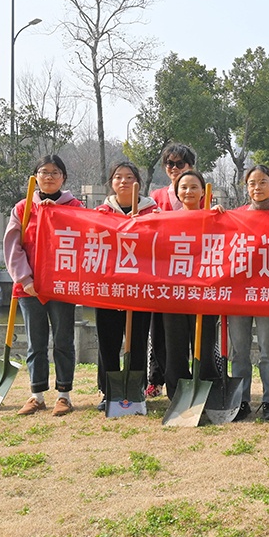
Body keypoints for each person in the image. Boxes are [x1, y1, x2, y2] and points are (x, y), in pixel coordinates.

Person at [6, 155, 85, 416]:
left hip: (62, 286)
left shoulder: (74, 207)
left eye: (55, 172)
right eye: (44, 171)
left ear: (64, 177)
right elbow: (13, 247)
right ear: (35, 177)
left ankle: (64, 395)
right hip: (30, 288)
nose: (49, 176)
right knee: (35, 342)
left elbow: (86, 241)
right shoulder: (23, 208)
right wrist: (24, 279)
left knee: (63, 340)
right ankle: (37, 395)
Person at [217, 165, 269, 422]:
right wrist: (215, 216)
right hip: (239, 294)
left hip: (268, 294)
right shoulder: (235, 217)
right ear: (246, 187)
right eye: (252, 183)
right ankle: (241, 400)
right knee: (240, 351)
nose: (257, 187)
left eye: (263, 182)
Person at [94, 161, 158, 411]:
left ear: (138, 182)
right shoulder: (101, 212)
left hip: (140, 288)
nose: (124, 182)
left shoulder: (152, 211)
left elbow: (161, 243)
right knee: (107, 341)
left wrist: (145, 225)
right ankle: (108, 391)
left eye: (129, 177)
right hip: (108, 288)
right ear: (111, 182)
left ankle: (135, 388)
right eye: (118, 177)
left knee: (138, 340)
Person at [145, 142, 197, 397]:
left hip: (194, 275)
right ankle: (156, 377)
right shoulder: (156, 197)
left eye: (180, 164)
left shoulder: (201, 194)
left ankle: (198, 378)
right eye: (169, 164)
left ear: (191, 166)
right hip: (162, 274)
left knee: (194, 332)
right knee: (159, 330)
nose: (174, 168)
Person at [162, 169, 219, 399]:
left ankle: (207, 388)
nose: (188, 191)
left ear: (203, 192)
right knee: (175, 344)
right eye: (183, 187)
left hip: (204, 292)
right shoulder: (166, 220)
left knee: (205, 344)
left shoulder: (213, 219)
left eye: (194, 187)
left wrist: (220, 217)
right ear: (177, 193)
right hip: (174, 292)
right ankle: (177, 392)